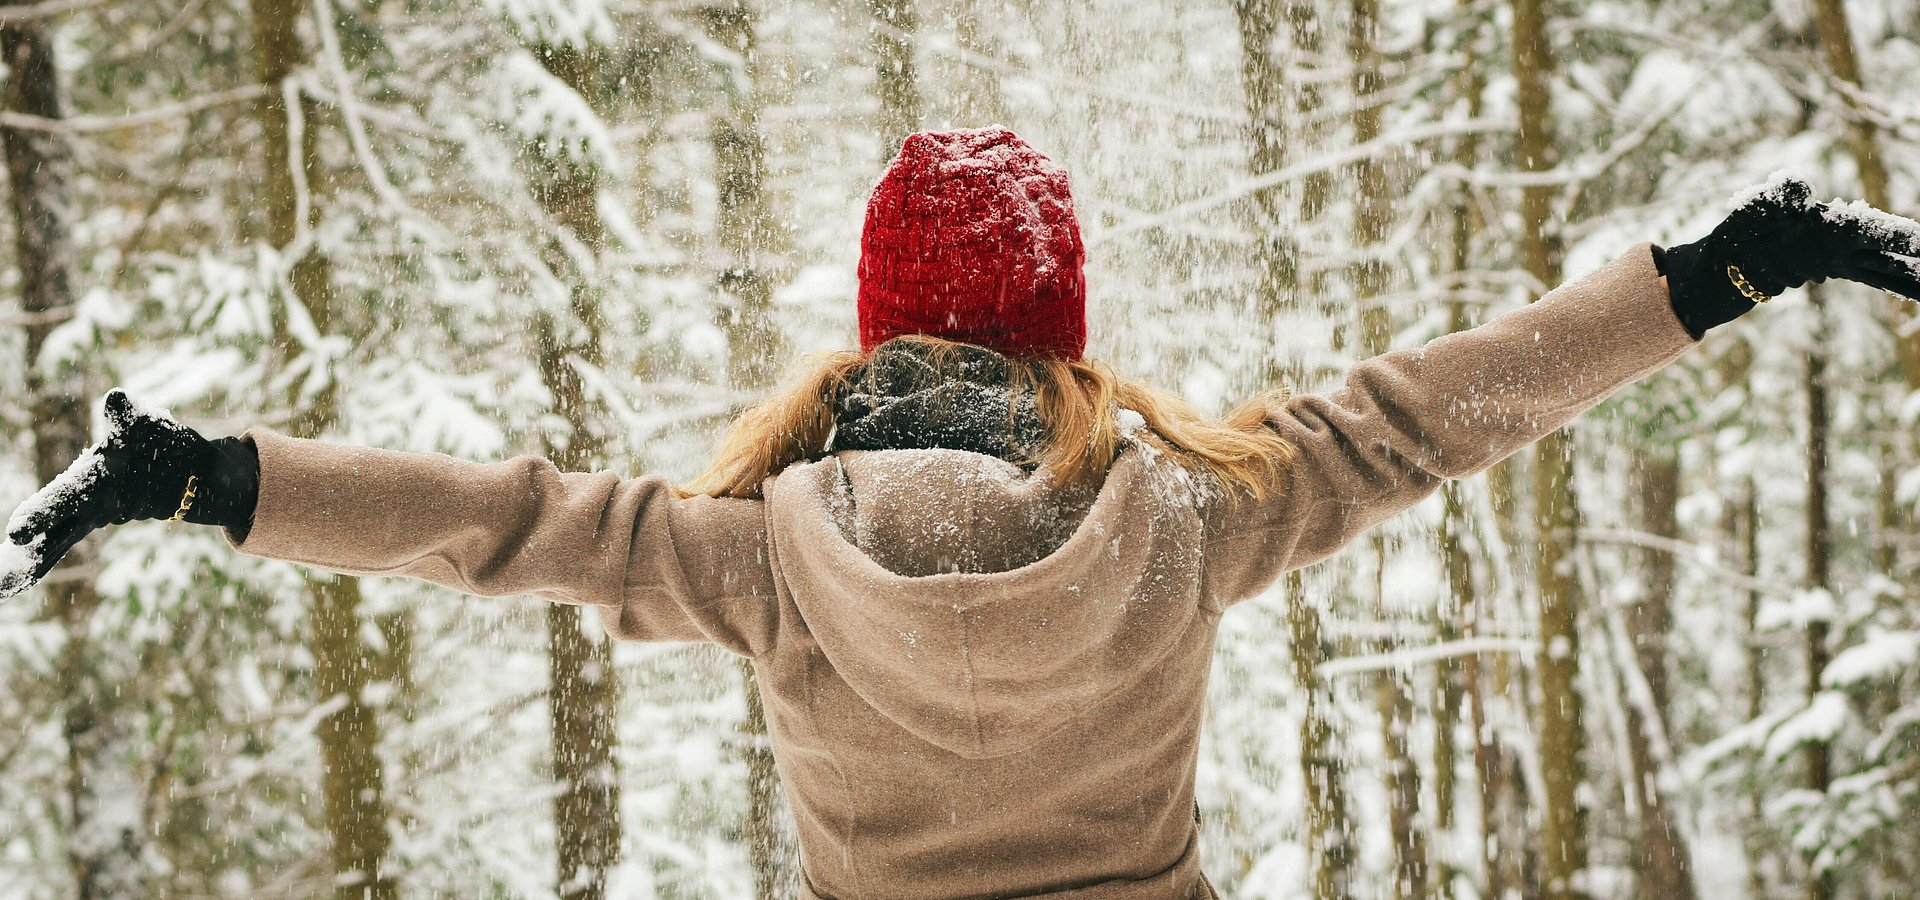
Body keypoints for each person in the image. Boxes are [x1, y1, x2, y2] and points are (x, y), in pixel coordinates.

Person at [4, 127, 1919, 899]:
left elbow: (506, 524)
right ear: (1063, 332)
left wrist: (209, 477)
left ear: (874, 324)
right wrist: (1725, 268)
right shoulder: (1190, 514)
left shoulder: (763, 559)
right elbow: (1437, 413)